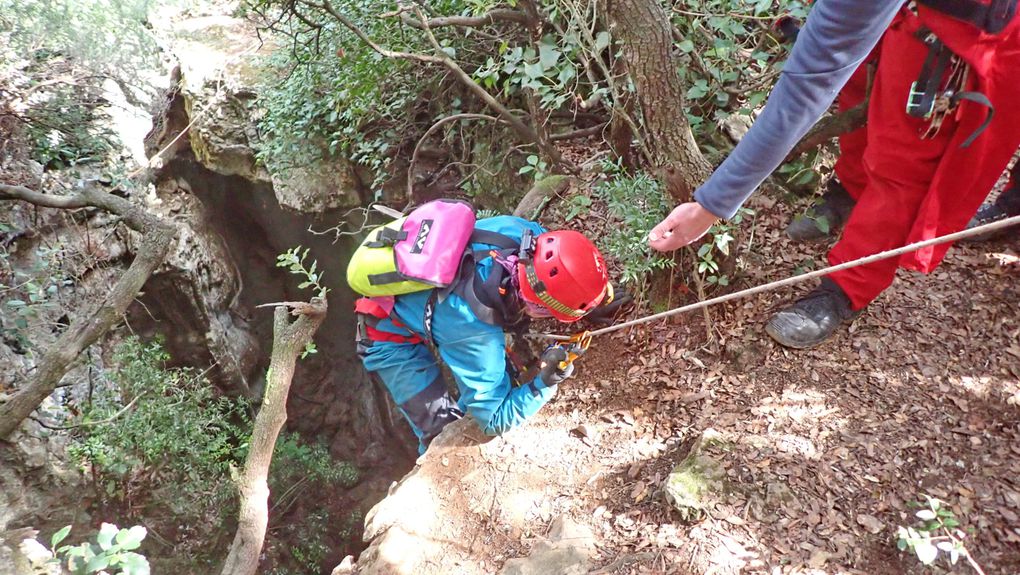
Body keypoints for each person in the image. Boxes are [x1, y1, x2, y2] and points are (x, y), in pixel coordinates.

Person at [648, 0, 1020, 349]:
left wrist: (711, 205)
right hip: (908, 13)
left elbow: (804, 89)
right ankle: (850, 191)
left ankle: (847, 287)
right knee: (857, 88)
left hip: (971, 29)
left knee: (904, 160)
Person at [355, 215, 611, 454]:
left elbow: (559, 271)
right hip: (388, 339)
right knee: (440, 432)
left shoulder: (526, 234)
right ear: (538, 305)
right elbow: (495, 419)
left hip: (430, 305)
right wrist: (544, 383)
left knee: (495, 376)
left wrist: (588, 302)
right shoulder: (474, 330)